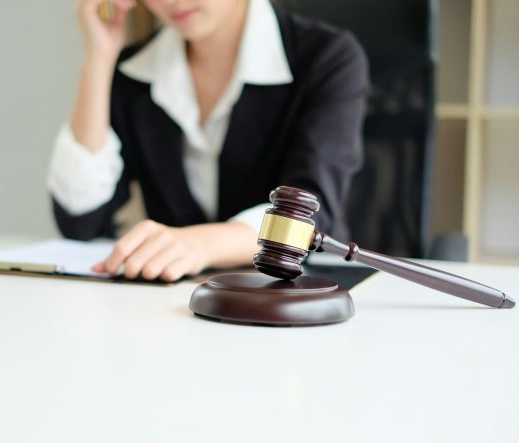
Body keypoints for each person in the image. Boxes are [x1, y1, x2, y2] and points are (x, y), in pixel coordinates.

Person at [48, 0, 368, 282]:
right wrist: (99, 59)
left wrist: (201, 244)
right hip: (175, 303)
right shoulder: (136, 71)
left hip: (300, 292)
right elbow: (81, 221)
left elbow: (308, 215)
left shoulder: (327, 57)